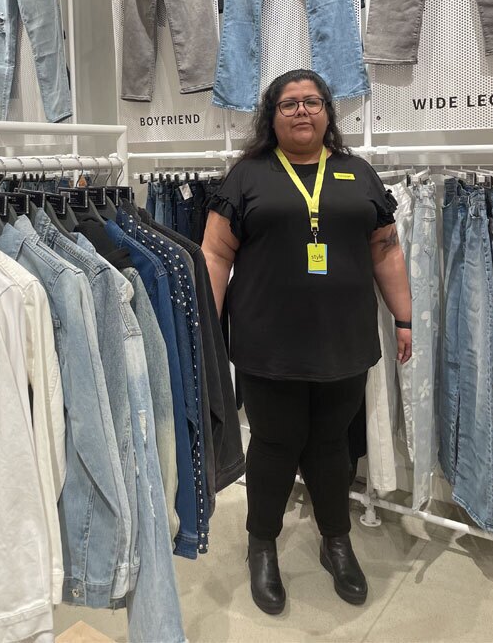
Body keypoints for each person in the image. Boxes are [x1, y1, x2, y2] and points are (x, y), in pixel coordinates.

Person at [202, 69, 414, 615]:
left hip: (343, 344)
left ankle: (336, 541)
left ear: (328, 112)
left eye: (312, 102)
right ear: (271, 116)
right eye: (289, 103)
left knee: (330, 447)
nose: (302, 111)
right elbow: (216, 254)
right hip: (267, 346)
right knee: (274, 445)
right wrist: (205, 330)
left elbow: (386, 249)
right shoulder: (246, 176)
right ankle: (262, 545)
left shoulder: (357, 173)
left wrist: (404, 317)